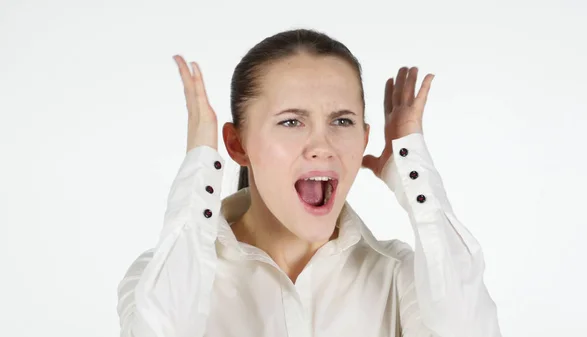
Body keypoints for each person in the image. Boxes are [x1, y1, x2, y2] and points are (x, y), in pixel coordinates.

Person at [116, 29, 502, 337]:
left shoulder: (398, 276)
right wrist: (200, 162)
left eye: (342, 121)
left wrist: (414, 174)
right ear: (236, 144)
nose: (322, 145)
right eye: (291, 121)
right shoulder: (162, 277)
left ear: (366, 138)